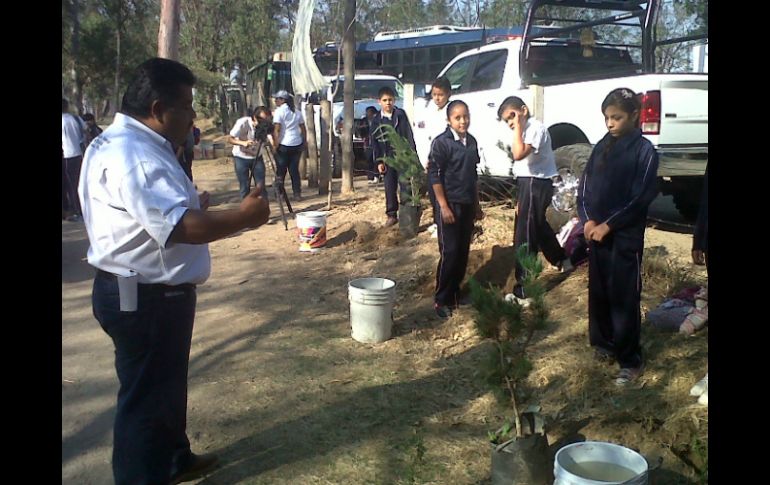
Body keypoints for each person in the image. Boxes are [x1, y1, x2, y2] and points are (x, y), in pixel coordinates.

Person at [78, 57, 270, 485]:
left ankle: (173, 459)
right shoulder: (135, 154)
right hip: (146, 297)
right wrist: (245, 217)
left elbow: (144, 213)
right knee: (145, 401)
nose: (193, 115)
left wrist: (190, 204)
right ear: (158, 109)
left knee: (164, 387)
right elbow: (180, 227)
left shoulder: (117, 142)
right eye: (186, 105)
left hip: (146, 291)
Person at [576, 87, 659, 386]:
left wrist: (609, 225)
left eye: (617, 117)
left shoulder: (644, 151)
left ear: (634, 115)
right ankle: (603, 343)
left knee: (623, 295)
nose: (610, 123)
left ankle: (629, 359)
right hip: (597, 234)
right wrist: (587, 219)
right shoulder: (602, 146)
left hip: (624, 237)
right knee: (600, 291)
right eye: (607, 117)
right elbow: (585, 187)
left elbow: (641, 197)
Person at [497, 96, 572, 304]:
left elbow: (518, 154)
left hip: (536, 183)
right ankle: (561, 259)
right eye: (507, 120)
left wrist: (518, 128)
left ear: (524, 110)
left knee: (526, 234)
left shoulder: (535, 128)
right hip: (527, 183)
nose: (511, 122)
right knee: (536, 225)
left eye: (512, 116)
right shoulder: (524, 130)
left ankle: (524, 288)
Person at [428, 100, 483, 318]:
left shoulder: (472, 142)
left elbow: (473, 175)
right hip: (449, 205)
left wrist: (476, 204)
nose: (463, 121)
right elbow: (434, 176)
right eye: (457, 118)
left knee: (462, 251)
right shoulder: (441, 143)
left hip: (467, 203)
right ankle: (441, 300)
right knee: (449, 252)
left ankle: (455, 293)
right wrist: (443, 206)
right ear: (449, 120)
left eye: (465, 116)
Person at [370, 86, 417, 227]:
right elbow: (374, 143)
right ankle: (391, 215)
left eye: (390, 100)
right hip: (387, 158)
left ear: (394, 100)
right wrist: (379, 161)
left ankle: (406, 214)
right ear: (379, 102)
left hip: (402, 157)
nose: (388, 103)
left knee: (405, 186)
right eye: (385, 100)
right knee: (389, 187)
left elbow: (409, 135)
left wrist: (411, 155)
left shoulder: (400, 115)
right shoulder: (377, 120)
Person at [414, 76, 452, 232]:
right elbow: (424, 134)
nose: (437, 98)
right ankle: (437, 221)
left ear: (448, 94)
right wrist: (424, 158)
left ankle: (444, 224)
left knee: (443, 193)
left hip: (444, 159)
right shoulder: (429, 109)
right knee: (432, 192)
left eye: (441, 95)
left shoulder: (451, 111)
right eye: (434, 94)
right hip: (430, 158)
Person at [271, 90, 306, 202]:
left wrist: (275, 145)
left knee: (281, 171)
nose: (275, 101)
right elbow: (303, 128)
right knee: (294, 170)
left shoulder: (279, 112)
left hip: (284, 144)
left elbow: (277, 130)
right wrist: (303, 141)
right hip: (296, 143)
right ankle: (297, 194)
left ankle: (279, 194)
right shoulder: (297, 112)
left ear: (282, 100)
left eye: (277, 99)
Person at [229, 107, 266, 199]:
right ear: (254, 117)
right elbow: (230, 139)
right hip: (241, 157)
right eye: (261, 119)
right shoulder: (243, 122)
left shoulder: (265, 125)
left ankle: (262, 205)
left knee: (261, 185)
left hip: (257, 156)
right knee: (244, 185)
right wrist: (243, 143)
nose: (263, 122)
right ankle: (246, 205)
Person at [62, 98, 86, 221]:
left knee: (69, 185)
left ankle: (75, 211)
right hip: (78, 154)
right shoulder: (76, 118)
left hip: (67, 155)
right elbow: (85, 130)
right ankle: (79, 208)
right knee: (77, 183)